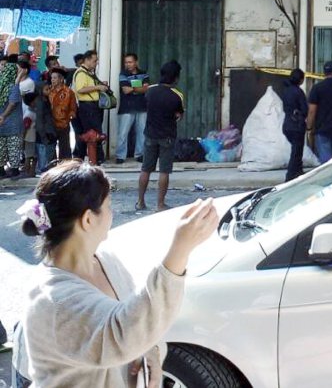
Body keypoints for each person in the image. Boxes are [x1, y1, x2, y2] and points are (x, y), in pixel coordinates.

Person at [17, 160, 218, 388]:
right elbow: (121, 334)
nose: (112, 214)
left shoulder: (104, 259)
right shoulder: (53, 300)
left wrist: (149, 350)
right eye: (108, 206)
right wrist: (180, 249)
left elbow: (137, 313)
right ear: (88, 219)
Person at [137, 61, 184, 212]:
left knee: (146, 169)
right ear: (176, 78)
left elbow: (147, 106)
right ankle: (160, 204)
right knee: (164, 171)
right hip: (167, 136)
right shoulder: (177, 96)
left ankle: (140, 202)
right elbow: (178, 115)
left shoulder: (149, 91)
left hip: (150, 134)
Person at [73, 51, 110, 162]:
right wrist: (98, 87)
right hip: (87, 107)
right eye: (95, 60)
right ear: (87, 60)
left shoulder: (89, 73)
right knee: (93, 134)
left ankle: (95, 158)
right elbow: (80, 89)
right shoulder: (81, 73)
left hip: (94, 107)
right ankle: (94, 159)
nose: (96, 63)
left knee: (95, 132)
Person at [116, 53, 150, 165]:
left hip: (142, 107)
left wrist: (133, 89)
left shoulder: (143, 73)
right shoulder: (123, 74)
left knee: (142, 132)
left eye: (130, 62)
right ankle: (120, 156)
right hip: (127, 107)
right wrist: (139, 89)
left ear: (136, 62)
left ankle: (140, 154)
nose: (128, 64)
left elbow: (147, 89)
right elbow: (125, 90)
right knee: (123, 133)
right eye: (126, 62)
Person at [282, 68, 309, 182]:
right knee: (296, 151)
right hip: (296, 125)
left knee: (296, 150)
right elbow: (305, 109)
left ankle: (298, 171)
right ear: (301, 80)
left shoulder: (286, 91)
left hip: (287, 124)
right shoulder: (298, 92)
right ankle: (291, 175)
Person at [0, 56, 24, 178]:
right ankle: (14, 171)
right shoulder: (13, 86)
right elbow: (13, 102)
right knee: (13, 148)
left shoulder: (2, 85)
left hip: (5, 124)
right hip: (12, 124)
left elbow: (13, 102)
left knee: (2, 148)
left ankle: (2, 171)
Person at [48, 67, 77, 159]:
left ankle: (65, 168)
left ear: (61, 79)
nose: (52, 80)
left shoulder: (69, 92)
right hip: (50, 123)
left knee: (65, 148)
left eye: (55, 78)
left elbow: (73, 107)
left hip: (63, 123)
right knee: (51, 148)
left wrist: (71, 115)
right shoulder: (48, 91)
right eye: (52, 78)